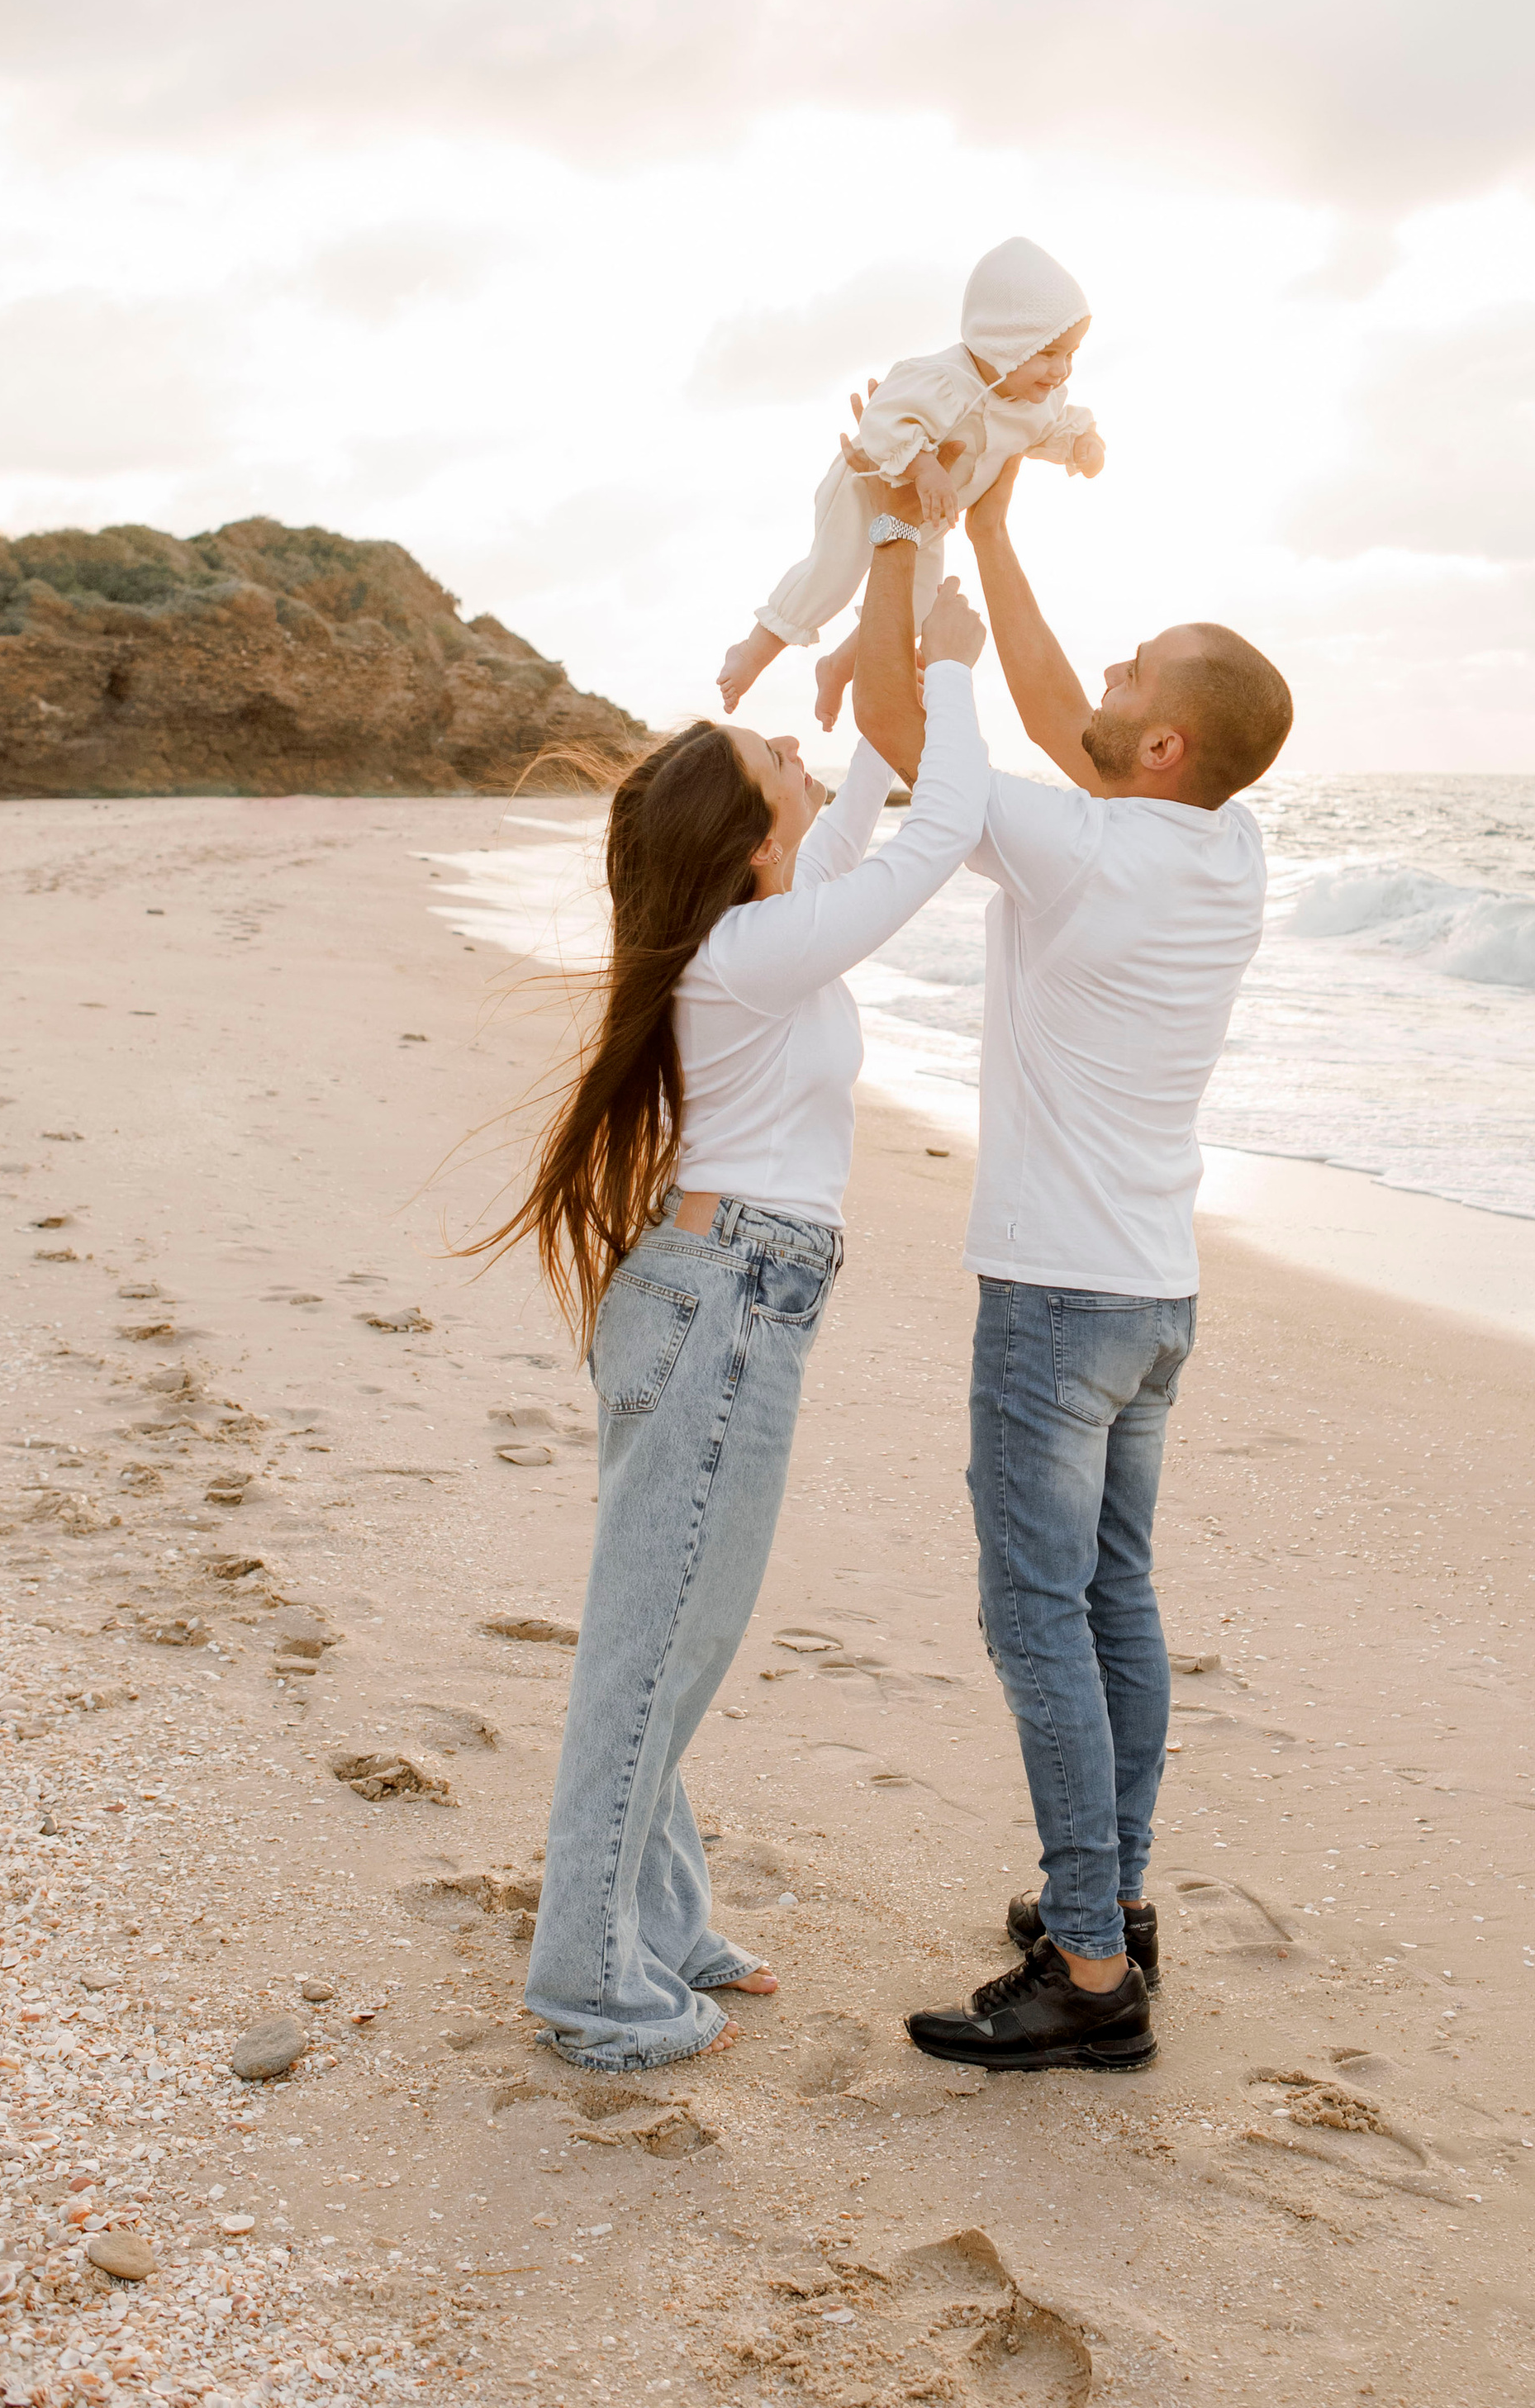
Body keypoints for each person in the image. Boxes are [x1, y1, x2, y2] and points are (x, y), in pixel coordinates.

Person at [492, 509, 989, 2073]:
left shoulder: (753, 933)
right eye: (769, 748)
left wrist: (896, 556)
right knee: (657, 1648)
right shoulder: (757, 955)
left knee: (667, 1633)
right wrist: (957, 675)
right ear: (748, 828)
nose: (790, 741)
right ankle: (589, 1979)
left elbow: (858, 824)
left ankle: (661, 1924)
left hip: (718, 1295)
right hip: (727, 1304)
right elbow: (934, 827)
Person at [853, 456, 1293, 2075]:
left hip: (1052, 1301)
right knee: (1112, 1597)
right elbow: (1067, 736)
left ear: (1161, 744)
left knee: (1037, 1612)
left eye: (1126, 676)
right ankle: (1109, 1903)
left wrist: (935, 614)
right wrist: (988, 521)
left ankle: (1090, 1967)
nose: (1093, 681)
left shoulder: (1086, 853)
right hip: (1152, 1297)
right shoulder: (1214, 851)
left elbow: (920, 751)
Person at [717, 235, 1105, 731]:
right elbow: (883, 422)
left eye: (1071, 354)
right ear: (1005, 339)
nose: (1061, 369)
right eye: (1049, 352)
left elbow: (1057, 427)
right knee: (832, 575)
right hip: (869, 487)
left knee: (915, 606)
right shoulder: (942, 379)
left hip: (929, 519)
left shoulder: (1036, 402)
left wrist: (1083, 445)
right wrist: (924, 467)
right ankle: (752, 652)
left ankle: (837, 666)